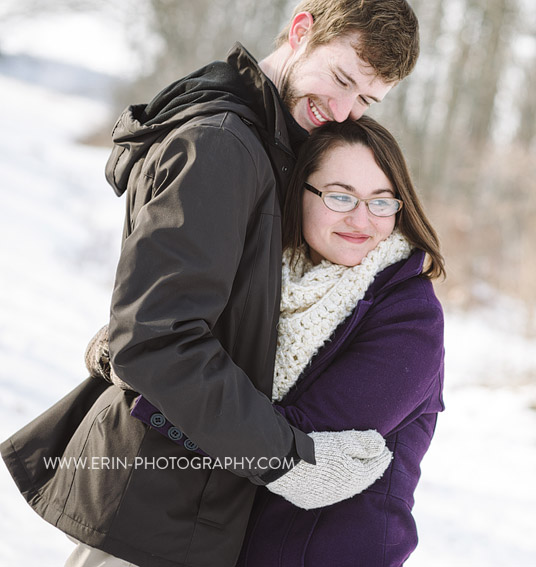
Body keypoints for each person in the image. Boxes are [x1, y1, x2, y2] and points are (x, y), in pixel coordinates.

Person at [0, 1, 419, 566]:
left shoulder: (269, 143)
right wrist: (287, 460)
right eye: (341, 78)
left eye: (367, 100)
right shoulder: (222, 144)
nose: (343, 110)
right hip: (152, 509)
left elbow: (190, 309)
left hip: (183, 506)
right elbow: (157, 341)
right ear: (301, 31)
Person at [235, 116, 446, 567]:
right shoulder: (263, 279)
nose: (361, 219)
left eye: (381, 202)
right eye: (340, 196)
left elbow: (297, 440)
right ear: (301, 192)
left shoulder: (410, 316)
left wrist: (165, 383)